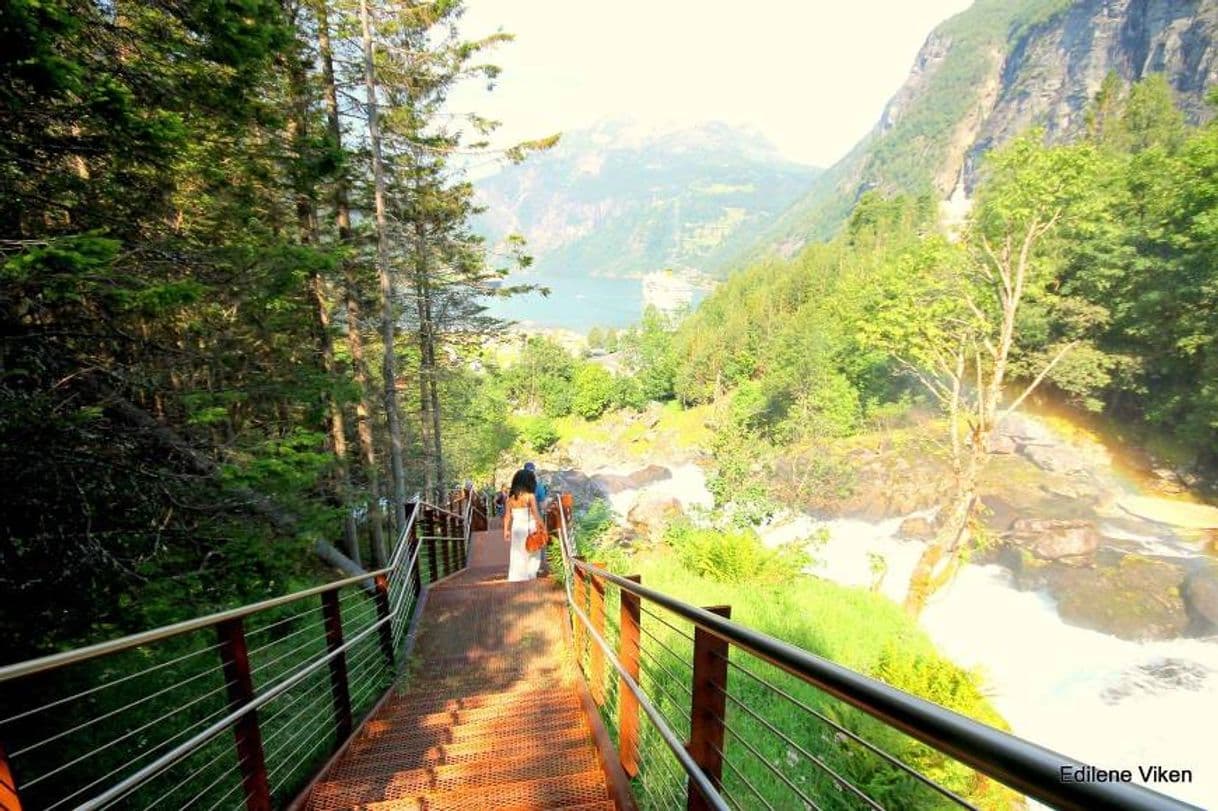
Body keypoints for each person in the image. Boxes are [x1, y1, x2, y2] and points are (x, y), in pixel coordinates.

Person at [504, 469, 544, 582]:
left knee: (517, 551)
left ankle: (517, 576)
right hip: (529, 526)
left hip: (516, 528)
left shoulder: (510, 499)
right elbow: (536, 514)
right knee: (533, 550)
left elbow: (507, 516)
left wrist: (506, 531)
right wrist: (543, 526)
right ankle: (531, 575)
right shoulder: (530, 496)